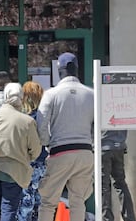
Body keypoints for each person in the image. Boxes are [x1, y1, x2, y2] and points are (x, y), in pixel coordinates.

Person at [36, 52, 94, 221]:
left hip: (60, 151)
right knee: (78, 200)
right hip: (85, 151)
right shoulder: (91, 94)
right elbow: (98, 125)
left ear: (59, 70)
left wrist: (47, 144)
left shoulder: (51, 94)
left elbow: (42, 123)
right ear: (76, 69)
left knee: (48, 202)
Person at [0, 82, 42, 221]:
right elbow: (36, 150)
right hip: (14, 171)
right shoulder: (27, 121)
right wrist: (26, 157)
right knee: (8, 208)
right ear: (21, 98)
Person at [17, 81, 48, 221]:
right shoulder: (45, 117)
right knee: (40, 203)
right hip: (44, 164)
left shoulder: (22, 119)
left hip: (27, 166)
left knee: (25, 203)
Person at [102, 130, 136, 221]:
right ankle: (130, 218)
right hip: (119, 146)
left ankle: (106, 218)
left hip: (102, 145)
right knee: (121, 184)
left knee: (103, 186)